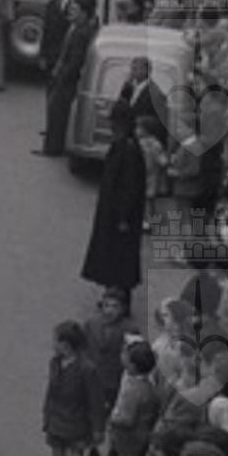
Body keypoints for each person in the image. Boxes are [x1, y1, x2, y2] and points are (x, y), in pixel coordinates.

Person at [81, 97, 153, 309]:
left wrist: (123, 216)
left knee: (118, 258)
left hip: (120, 216)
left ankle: (118, 299)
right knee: (115, 257)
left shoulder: (128, 149)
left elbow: (129, 187)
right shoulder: (124, 145)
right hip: (114, 213)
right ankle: (114, 294)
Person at [43, 319, 107, 456]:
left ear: (67, 344)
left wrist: (98, 430)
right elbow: (50, 393)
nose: (53, 344)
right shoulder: (55, 363)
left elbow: (96, 402)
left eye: (56, 340)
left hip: (76, 426)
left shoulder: (87, 370)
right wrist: (47, 417)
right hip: (56, 423)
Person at [39, 0, 95, 159]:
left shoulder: (82, 33)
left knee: (57, 111)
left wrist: (62, 76)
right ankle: (52, 144)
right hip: (61, 73)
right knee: (54, 110)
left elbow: (75, 60)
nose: (71, 13)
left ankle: (53, 148)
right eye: (70, 9)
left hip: (66, 79)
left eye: (75, 10)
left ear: (84, 13)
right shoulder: (74, 28)